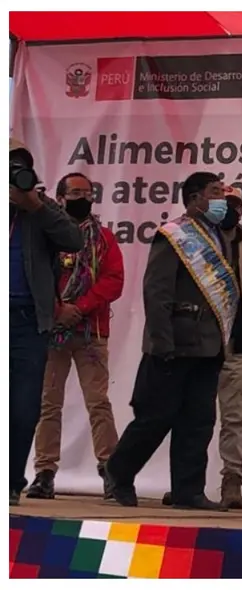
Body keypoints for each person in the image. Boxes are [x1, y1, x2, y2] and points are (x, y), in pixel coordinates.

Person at [105, 172, 236, 511]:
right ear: (194, 198)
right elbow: (157, 290)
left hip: (208, 346)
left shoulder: (218, 236)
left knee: (199, 421)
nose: (221, 199)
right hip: (174, 342)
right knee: (155, 416)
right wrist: (161, 340)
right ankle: (118, 471)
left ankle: (187, 490)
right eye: (214, 192)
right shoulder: (174, 236)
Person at [160, 187, 242, 510]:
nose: (231, 210)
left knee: (234, 419)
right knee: (192, 419)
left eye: (236, 205)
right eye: (225, 204)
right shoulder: (195, 243)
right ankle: (186, 484)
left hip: (238, 346)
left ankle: (232, 481)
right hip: (199, 347)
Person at [27, 173, 125, 501]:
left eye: (87, 192)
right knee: (47, 403)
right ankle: (44, 472)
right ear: (59, 197)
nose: (82, 198)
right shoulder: (44, 235)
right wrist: (57, 310)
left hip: (90, 331)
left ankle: (111, 472)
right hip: (52, 330)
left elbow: (114, 280)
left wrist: (79, 308)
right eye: (75, 192)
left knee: (99, 402)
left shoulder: (105, 238)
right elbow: (35, 277)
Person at [9, 139, 84, 506]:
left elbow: (74, 239)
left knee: (23, 407)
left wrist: (36, 206)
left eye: (20, 169)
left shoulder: (40, 210)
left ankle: (9, 480)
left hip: (26, 321)